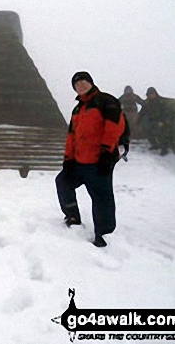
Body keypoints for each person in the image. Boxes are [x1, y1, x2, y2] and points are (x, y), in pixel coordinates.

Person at [56, 72, 125, 248]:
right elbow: (71, 136)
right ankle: (72, 216)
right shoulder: (78, 109)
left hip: (99, 161)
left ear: (91, 83)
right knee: (63, 181)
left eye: (83, 82)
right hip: (79, 162)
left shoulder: (106, 101)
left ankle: (105, 234)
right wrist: (68, 159)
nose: (80, 85)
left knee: (102, 197)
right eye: (76, 84)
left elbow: (115, 127)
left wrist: (106, 152)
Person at [137, 87, 173, 155]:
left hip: (160, 121)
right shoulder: (147, 102)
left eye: (152, 93)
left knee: (160, 132)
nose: (151, 95)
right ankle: (155, 145)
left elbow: (166, 113)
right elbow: (142, 112)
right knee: (146, 129)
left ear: (155, 94)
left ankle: (164, 149)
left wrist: (163, 122)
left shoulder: (161, 102)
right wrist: (137, 122)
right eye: (149, 94)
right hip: (151, 121)